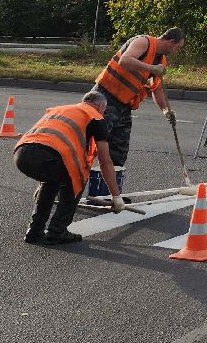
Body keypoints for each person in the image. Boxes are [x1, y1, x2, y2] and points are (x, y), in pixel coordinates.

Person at [87, 27, 187, 199]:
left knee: (118, 150)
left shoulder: (160, 62)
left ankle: (111, 194)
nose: (176, 51)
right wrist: (151, 68)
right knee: (86, 145)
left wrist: (165, 110)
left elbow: (157, 90)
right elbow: (125, 60)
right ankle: (65, 190)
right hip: (104, 99)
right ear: (171, 42)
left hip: (124, 106)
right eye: (177, 47)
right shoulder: (144, 42)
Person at [14, 90, 124, 245]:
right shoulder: (96, 118)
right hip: (47, 156)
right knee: (78, 177)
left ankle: (34, 231)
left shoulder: (60, 109)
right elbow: (105, 162)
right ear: (101, 106)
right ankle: (57, 231)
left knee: (51, 182)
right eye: (104, 110)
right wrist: (116, 196)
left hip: (21, 153)